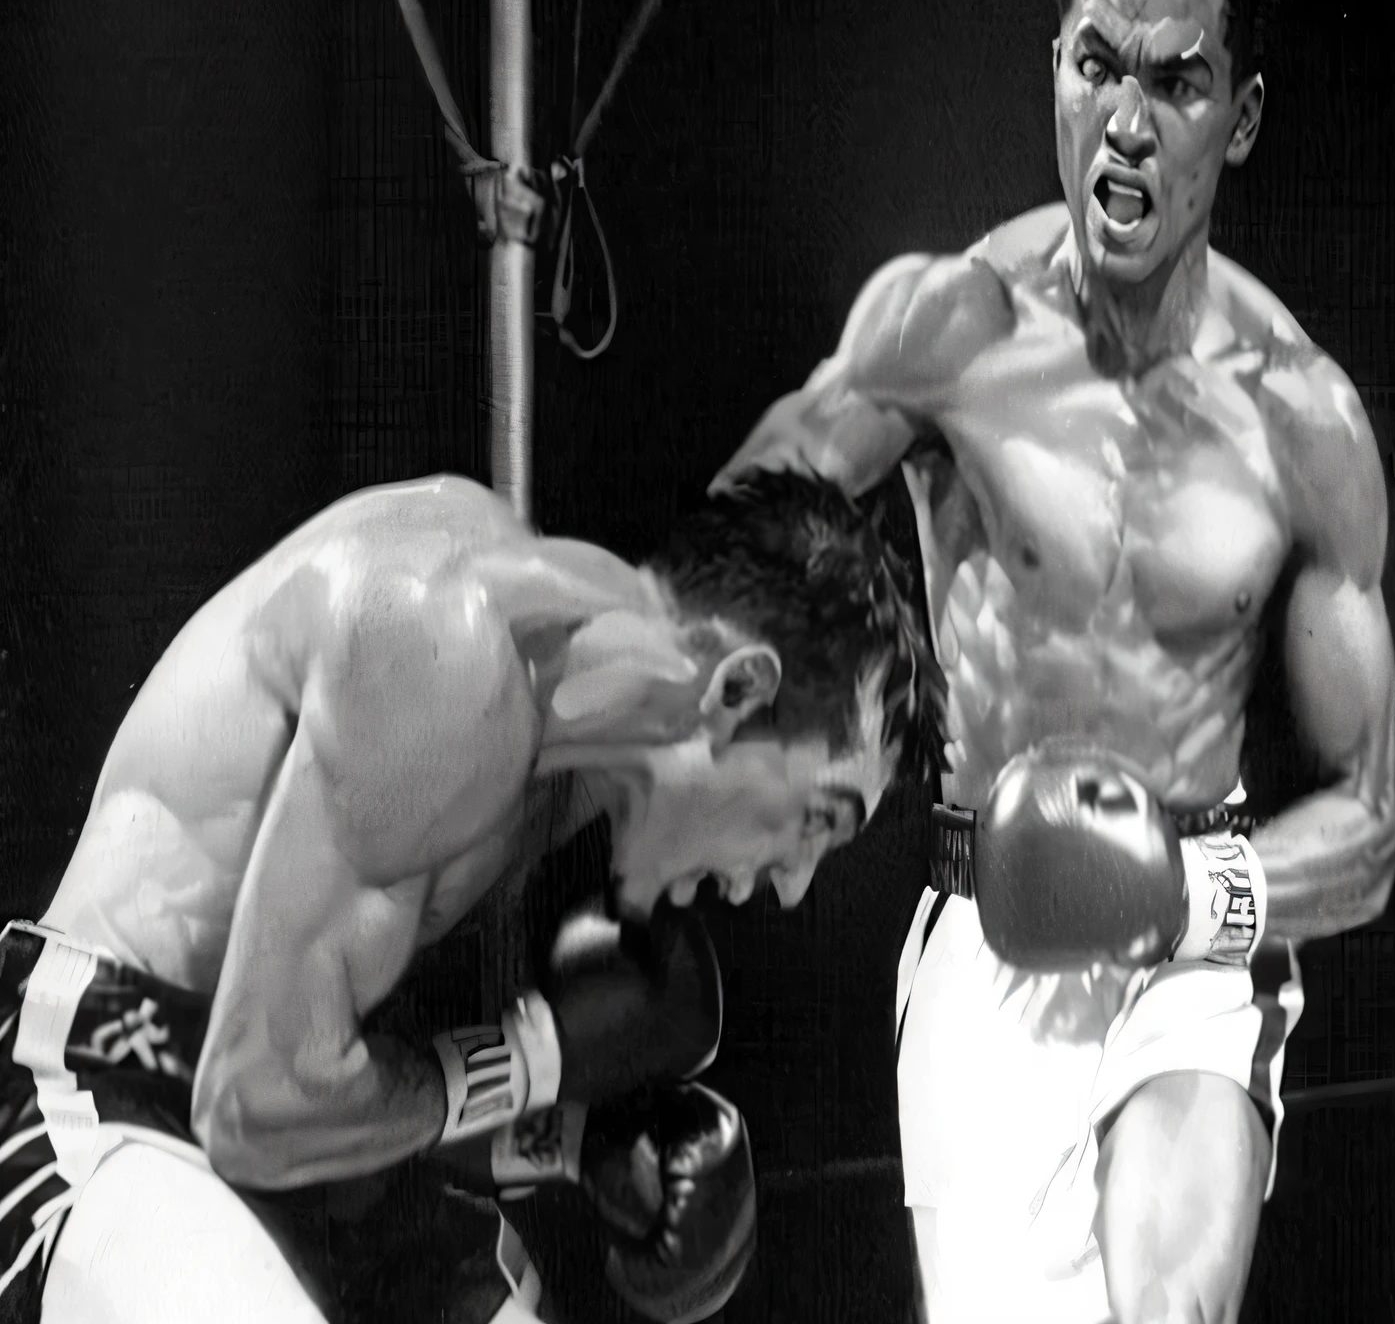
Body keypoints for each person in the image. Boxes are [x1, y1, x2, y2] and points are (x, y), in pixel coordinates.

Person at [714, 0, 1395, 1324]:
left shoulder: (1304, 418)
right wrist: (811, 710)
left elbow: (1369, 829)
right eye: (1098, 64)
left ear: (1245, 112)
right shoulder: (951, 330)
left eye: (1176, 82)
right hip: (985, 940)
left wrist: (1184, 894)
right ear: (1052, 65)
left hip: (1199, 941)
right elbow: (736, 543)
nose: (1128, 124)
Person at [0, 467, 942, 1324]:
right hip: (98, 1083)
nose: (790, 886)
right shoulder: (445, 645)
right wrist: (528, 1061)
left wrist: (573, 1142)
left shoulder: (562, 766)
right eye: (816, 818)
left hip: (307, 1161)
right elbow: (262, 1096)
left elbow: (371, 1078)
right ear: (737, 691)